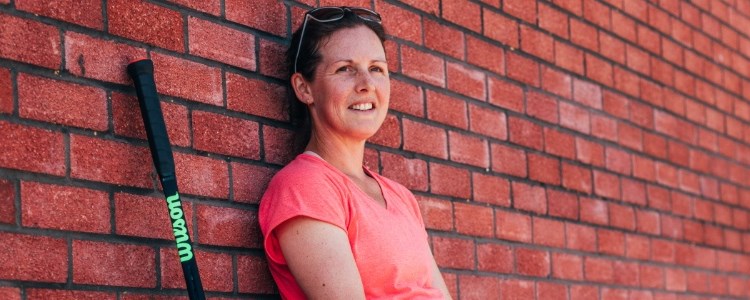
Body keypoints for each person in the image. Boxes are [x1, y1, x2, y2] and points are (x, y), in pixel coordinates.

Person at [258, 6, 452, 299]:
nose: (367, 85)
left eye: (376, 68)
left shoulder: (401, 197)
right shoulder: (305, 187)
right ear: (304, 88)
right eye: (345, 69)